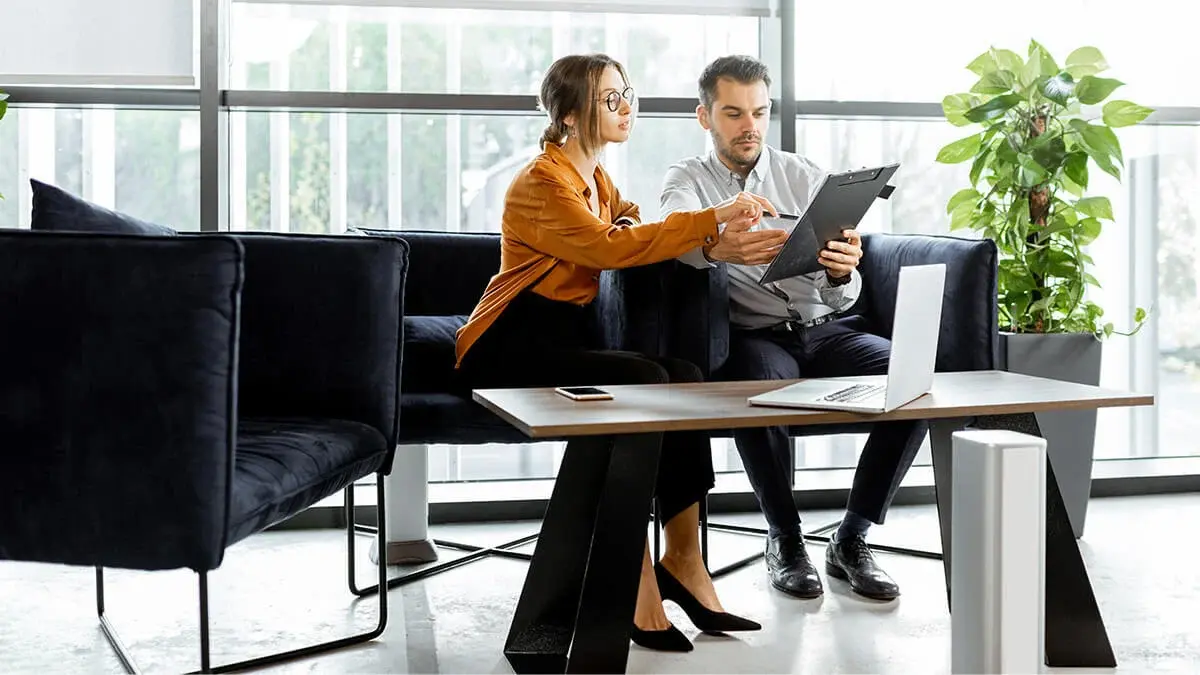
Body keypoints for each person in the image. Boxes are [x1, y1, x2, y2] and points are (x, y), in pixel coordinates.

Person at [454, 53, 777, 652]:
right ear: (571, 115)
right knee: (652, 378)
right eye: (610, 99)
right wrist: (711, 221)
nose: (627, 106)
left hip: (563, 337)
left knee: (683, 375)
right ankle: (636, 570)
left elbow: (628, 224)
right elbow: (608, 247)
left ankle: (683, 555)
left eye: (628, 93)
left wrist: (707, 237)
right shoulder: (541, 182)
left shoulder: (595, 177)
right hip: (509, 343)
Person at [658, 55, 928, 601]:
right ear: (705, 117)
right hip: (756, 337)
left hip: (826, 326)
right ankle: (785, 539)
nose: (749, 126)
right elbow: (670, 236)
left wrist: (840, 270)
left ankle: (851, 538)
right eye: (733, 113)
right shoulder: (687, 178)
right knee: (757, 392)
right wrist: (712, 243)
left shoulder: (804, 175)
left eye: (758, 112)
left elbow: (847, 292)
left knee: (914, 382)